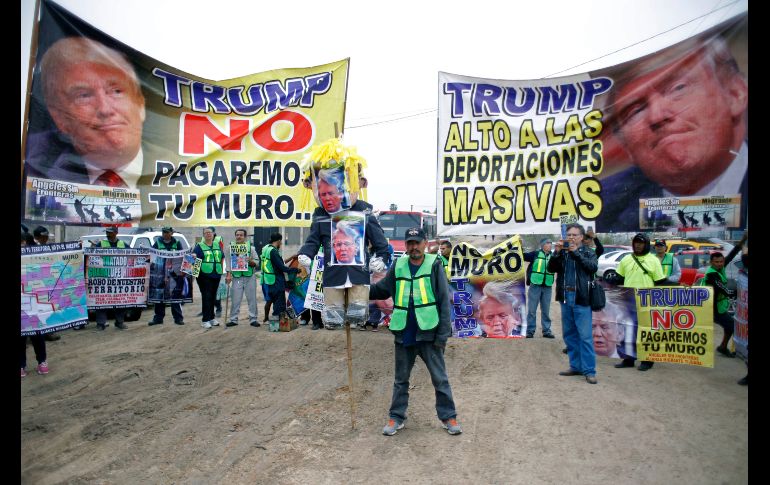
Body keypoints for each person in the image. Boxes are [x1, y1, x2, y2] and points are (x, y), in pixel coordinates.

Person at [596, 35, 748, 232]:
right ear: (626, 147)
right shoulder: (600, 208)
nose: (657, 116)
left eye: (678, 88)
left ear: (735, 94)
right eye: (635, 111)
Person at [370, 227, 462, 436]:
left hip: (429, 333)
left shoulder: (435, 264)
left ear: (424, 243)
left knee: (440, 379)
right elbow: (383, 288)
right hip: (404, 333)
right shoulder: (399, 264)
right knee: (400, 380)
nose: (413, 247)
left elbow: (443, 302)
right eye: (410, 243)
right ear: (406, 245)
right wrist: (357, 288)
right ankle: (396, 418)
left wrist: (442, 336)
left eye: (417, 242)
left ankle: (449, 416)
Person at [25, 37, 146, 189]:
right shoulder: (31, 163)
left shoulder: (180, 170)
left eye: (116, 91)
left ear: (141, 104)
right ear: (59, 118)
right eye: (84, 95)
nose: (105, 109)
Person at [297, 138, 390, 331]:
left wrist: (381, 257)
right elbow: (313, 240)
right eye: (324, 193)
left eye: (337, 191)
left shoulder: (364, 212)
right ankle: (333, 314)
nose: (331, 198)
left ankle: (357, 313)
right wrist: (306, 253)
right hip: (333, 275)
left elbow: (379, 241)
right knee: (333, 316)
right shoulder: (321, 217)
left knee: (357, 312)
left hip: (359, 274)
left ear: (360, 183)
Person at [604, 233, 666, 371]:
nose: (638, 245)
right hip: (628, 300)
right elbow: (620, 277)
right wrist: (611, 281)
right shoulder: (626, 259)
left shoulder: (653, 260)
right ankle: (628, 358)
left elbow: (660, 282)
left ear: (646, 244)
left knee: (646, 331)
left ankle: (647, 360)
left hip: (647, 300)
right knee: (628, 328)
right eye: (636, 242)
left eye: (641, 243)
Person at [548, 223, 599, 384]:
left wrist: (576, 253)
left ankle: (589, 371)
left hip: (581, 299)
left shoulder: (588, 252)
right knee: (569, 335)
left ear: (582, 237)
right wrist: (556, 253)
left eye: (574, 235)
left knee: (585, 337)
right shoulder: (562, 253)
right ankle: (575, 366)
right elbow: (551, 269)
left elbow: (592, 267)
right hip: (565, 297)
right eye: (568, 235)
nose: (571, 237)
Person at [701, 234, 746, 358]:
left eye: (721, 262)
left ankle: (722, 346)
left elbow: (731, 255)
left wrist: (743, 239)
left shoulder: (720, 269)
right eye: (716, 262)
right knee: (731, 325)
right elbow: (725, 291)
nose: (720, 264)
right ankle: (723, 347)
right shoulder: (712, 275)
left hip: (718, 306)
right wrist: (742, 292)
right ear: (711, 262)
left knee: (730, 326)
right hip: (713, 309)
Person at [21, 231, 49, 378]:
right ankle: (21, 365)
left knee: (37, 333)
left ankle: (42, 362)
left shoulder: (34, 256)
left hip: (34, 302)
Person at [148, 227, 185, 326]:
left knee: (175, 296)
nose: (165, 234)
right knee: (159, 295)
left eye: (167, 232)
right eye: (163, 232)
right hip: (160, 273)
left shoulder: (177, 243)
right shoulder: (157, 242)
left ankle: (178, 318)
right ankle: (158, 318)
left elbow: (182, 255)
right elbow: (151, 255)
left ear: (171, 233)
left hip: (173, 273)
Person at [94, 226, 128, 330]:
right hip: (104, 277)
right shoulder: (101, 244)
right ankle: (101, 323)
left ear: (116, 233)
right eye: (107, 232)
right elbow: (93, 257)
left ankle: (119, 322)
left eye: (110, 232)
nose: (108, 234)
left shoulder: (123, 244)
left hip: (119, 277)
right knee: (102, 300)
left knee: (120, 300)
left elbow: (132, 257)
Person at [225, 229, 260, 327]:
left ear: (245, 237)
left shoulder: (251, 248)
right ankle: (233, 319)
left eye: (241, 235)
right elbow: (228, 263)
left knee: (252, 299)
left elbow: (257, 262)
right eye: (237, 235)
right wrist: (228, 275)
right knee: (235, 299)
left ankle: (253, 319)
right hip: (237, 277)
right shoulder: (230, 248)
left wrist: (250, 261)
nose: (239, 236)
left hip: (249, 276)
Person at [193, 226, 226, 329]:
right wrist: (195, 275)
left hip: (216, 274)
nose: (208, 234)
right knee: (206, 297)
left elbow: (222, 257)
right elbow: (195, 261)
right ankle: (205, 320)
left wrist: (220, 270)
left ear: (213, 234)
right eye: (206, 233)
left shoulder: (217, 245)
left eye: (209, 232)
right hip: (204, 275)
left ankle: (212, 318)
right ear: (204, 235)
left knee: (213, 297)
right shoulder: (199, 246)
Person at [260, 233, 299, 321]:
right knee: (279, 303)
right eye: (280, 242)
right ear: (278, 241)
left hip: (268, 280)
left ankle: (271, 319)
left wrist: (291, 258)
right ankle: (277, 322)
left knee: (271, 301)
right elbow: (281, 267)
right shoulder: (273, 251)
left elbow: (277, 263)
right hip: (276, 280)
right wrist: (295, 270)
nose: (281, 244)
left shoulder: (266, 249)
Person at [523, 238, 555, 338]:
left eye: (550, 243)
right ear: (542, 245)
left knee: (546, 310)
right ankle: (530, 331)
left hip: (547, 287)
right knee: (532, 310)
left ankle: (546, 331)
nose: (550, 245)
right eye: (548, 243)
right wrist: (519, 245)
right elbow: (523, 256)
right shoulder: (535, 254)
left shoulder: (553, 256)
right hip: (535, 286)